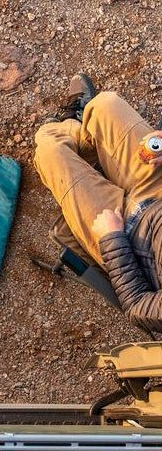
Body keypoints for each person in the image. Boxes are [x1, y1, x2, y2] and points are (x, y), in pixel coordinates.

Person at [34, 74, 162, 332]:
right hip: (157, 188)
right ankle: (84, 136)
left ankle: (72, 127)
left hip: (128, 235)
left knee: (49, 149)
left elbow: (137, 306)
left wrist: (112, 238)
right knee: (105, 104)